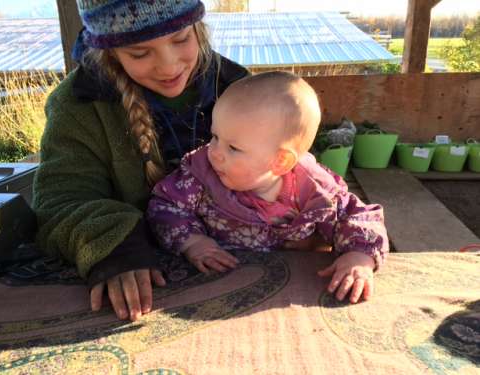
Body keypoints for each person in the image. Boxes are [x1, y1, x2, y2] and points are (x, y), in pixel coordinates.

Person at [32, 0, 249, 322]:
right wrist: (113, 244)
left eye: (180, 40)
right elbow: (61, 198)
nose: (169, 66)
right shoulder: (77, 106)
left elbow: (288, 166)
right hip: (147, 278)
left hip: (240, 262)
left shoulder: (238, 85)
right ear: (110, 51)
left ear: (198, 28)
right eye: (139, 53)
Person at [147, 71, 390, 304]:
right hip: (219, 280)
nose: (215, 152)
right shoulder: (199, 176)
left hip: (293, 286)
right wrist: (193, 243)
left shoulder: (317, 192)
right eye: (214, 136)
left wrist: (359, 256)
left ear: (281, 161)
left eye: (233, 148)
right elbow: (166, 205)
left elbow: (358, 215)